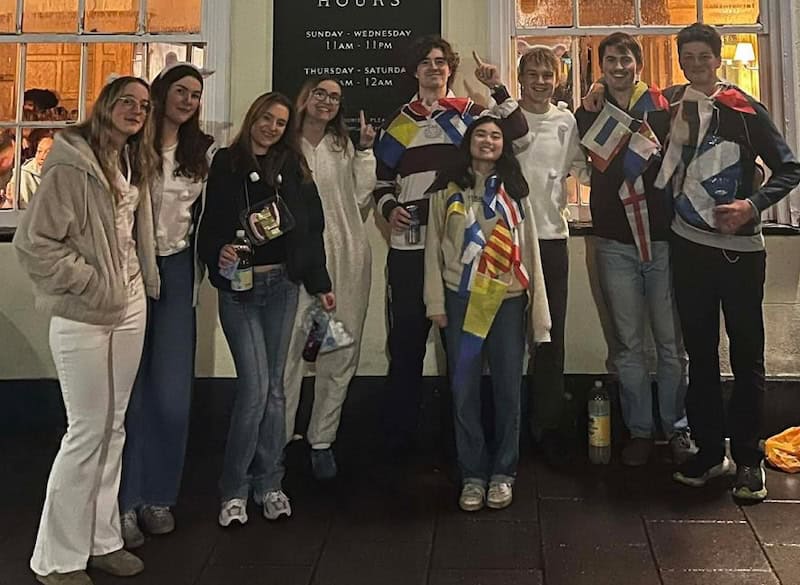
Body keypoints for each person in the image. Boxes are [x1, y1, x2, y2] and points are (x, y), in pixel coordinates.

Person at [13, 75, 159, 585]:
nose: (135, 110)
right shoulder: (71, 162)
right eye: (126, 101)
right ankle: (56, 558)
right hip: (83, 312)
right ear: (105, 105)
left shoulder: (132, 159)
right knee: (85, 431)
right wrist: (90, 279)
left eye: (143, 105)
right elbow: (33, 244)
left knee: (113, 427)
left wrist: (135, 280)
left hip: (131, 304)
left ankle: (101, 540)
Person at [373, 35, 529, 457]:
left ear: (451, 68)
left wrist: (497, 86)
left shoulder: (470, 115)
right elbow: (382, 181)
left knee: (461, 351)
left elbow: (517, 132)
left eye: (441, 62)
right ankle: (399, 441)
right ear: (415, 70)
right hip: (409, 248)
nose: (433, 68)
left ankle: (459, 444)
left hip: (460, 250)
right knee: (406, 343)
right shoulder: (400, 121)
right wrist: (389, 209)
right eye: (425, 62)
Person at [662, 23, 800, 500]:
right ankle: (707, 452)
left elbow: (790, 168)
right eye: (688, 57)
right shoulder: (669, 105)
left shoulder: (744, 109)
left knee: (747, 357)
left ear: (717, 59)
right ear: (680, 60)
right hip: (688, 247)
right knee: (698, 356)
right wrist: (596, 91)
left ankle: (747, 459)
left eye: (704, 56)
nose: (696, 64)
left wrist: (752, 205)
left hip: (742, 253)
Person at [198, 92, 334, 526]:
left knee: (276, 390)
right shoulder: (225, 162)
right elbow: (209, 223)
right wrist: (217, 253)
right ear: (251, 116)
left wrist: (321, 284)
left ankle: (270, 483)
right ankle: (234, 489)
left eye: (280, 123)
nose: (271, 128)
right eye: (265, 119)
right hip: (239, 289)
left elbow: (312, 228)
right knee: (255, 390)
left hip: (282, 286)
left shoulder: (294, 167)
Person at [575, 32, 691, 466]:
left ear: (638, 65)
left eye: (626, 59)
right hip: (613, 241)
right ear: (601, 67)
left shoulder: (664, 109)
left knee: (669, 342)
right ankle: (641, 431)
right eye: (611, 61)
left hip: (661, 238)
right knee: (626, 344)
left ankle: (676, 427)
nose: (619, 67)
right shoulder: (588, 113)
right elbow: (581, 168)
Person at [425, 116, 550, 511]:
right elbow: (432, 251)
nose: (488, 140)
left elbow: (531, 252)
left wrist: (538, 311)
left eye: (496, 135)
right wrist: (436, 305)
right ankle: (473, 473)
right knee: (463, 390)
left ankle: (504, 472)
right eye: (480, 133)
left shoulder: (516, 193)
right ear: (469, 142)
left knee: (508, 387)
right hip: (460, 299)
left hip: (507, 299)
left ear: (503, 146)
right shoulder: (446, 193)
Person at [119, 63, 215, 549]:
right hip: (129, 268)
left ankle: (160, 495)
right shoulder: (130, 147)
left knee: (172, 395)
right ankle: (125, 502)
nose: (188, 101)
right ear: (161, 93)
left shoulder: (201, 152)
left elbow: (208, 216)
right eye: (181, 91)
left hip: (177, 271)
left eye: (196, 95)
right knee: (129, 392)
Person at [283, 76, 376, 480]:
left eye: (335, 97)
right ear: (304, 98)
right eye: (320, 93)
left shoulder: (342, 146)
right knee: (289, 352)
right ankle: (280, 440)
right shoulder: (284, 145)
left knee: (339, 349)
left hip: (345, 257)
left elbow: (358, 198)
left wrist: (367, 152)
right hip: (298, 262)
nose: (327, 101)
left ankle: (322, 439)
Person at [515, 45, 590, 464]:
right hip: (509, 240)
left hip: (552, 238)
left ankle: (546, 426)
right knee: (509, 336)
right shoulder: (505, 120)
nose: (541, 81)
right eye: (534, 74)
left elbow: (581, 167)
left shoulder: (566, 121)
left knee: (550, 337)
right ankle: (511, 426)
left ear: (558, 79)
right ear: (521, 77)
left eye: (549, 75)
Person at [7, 132, 54, 209]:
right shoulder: (23, 174)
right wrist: (11, 202)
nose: (42, 156)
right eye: (39, 151)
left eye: (48, 153)